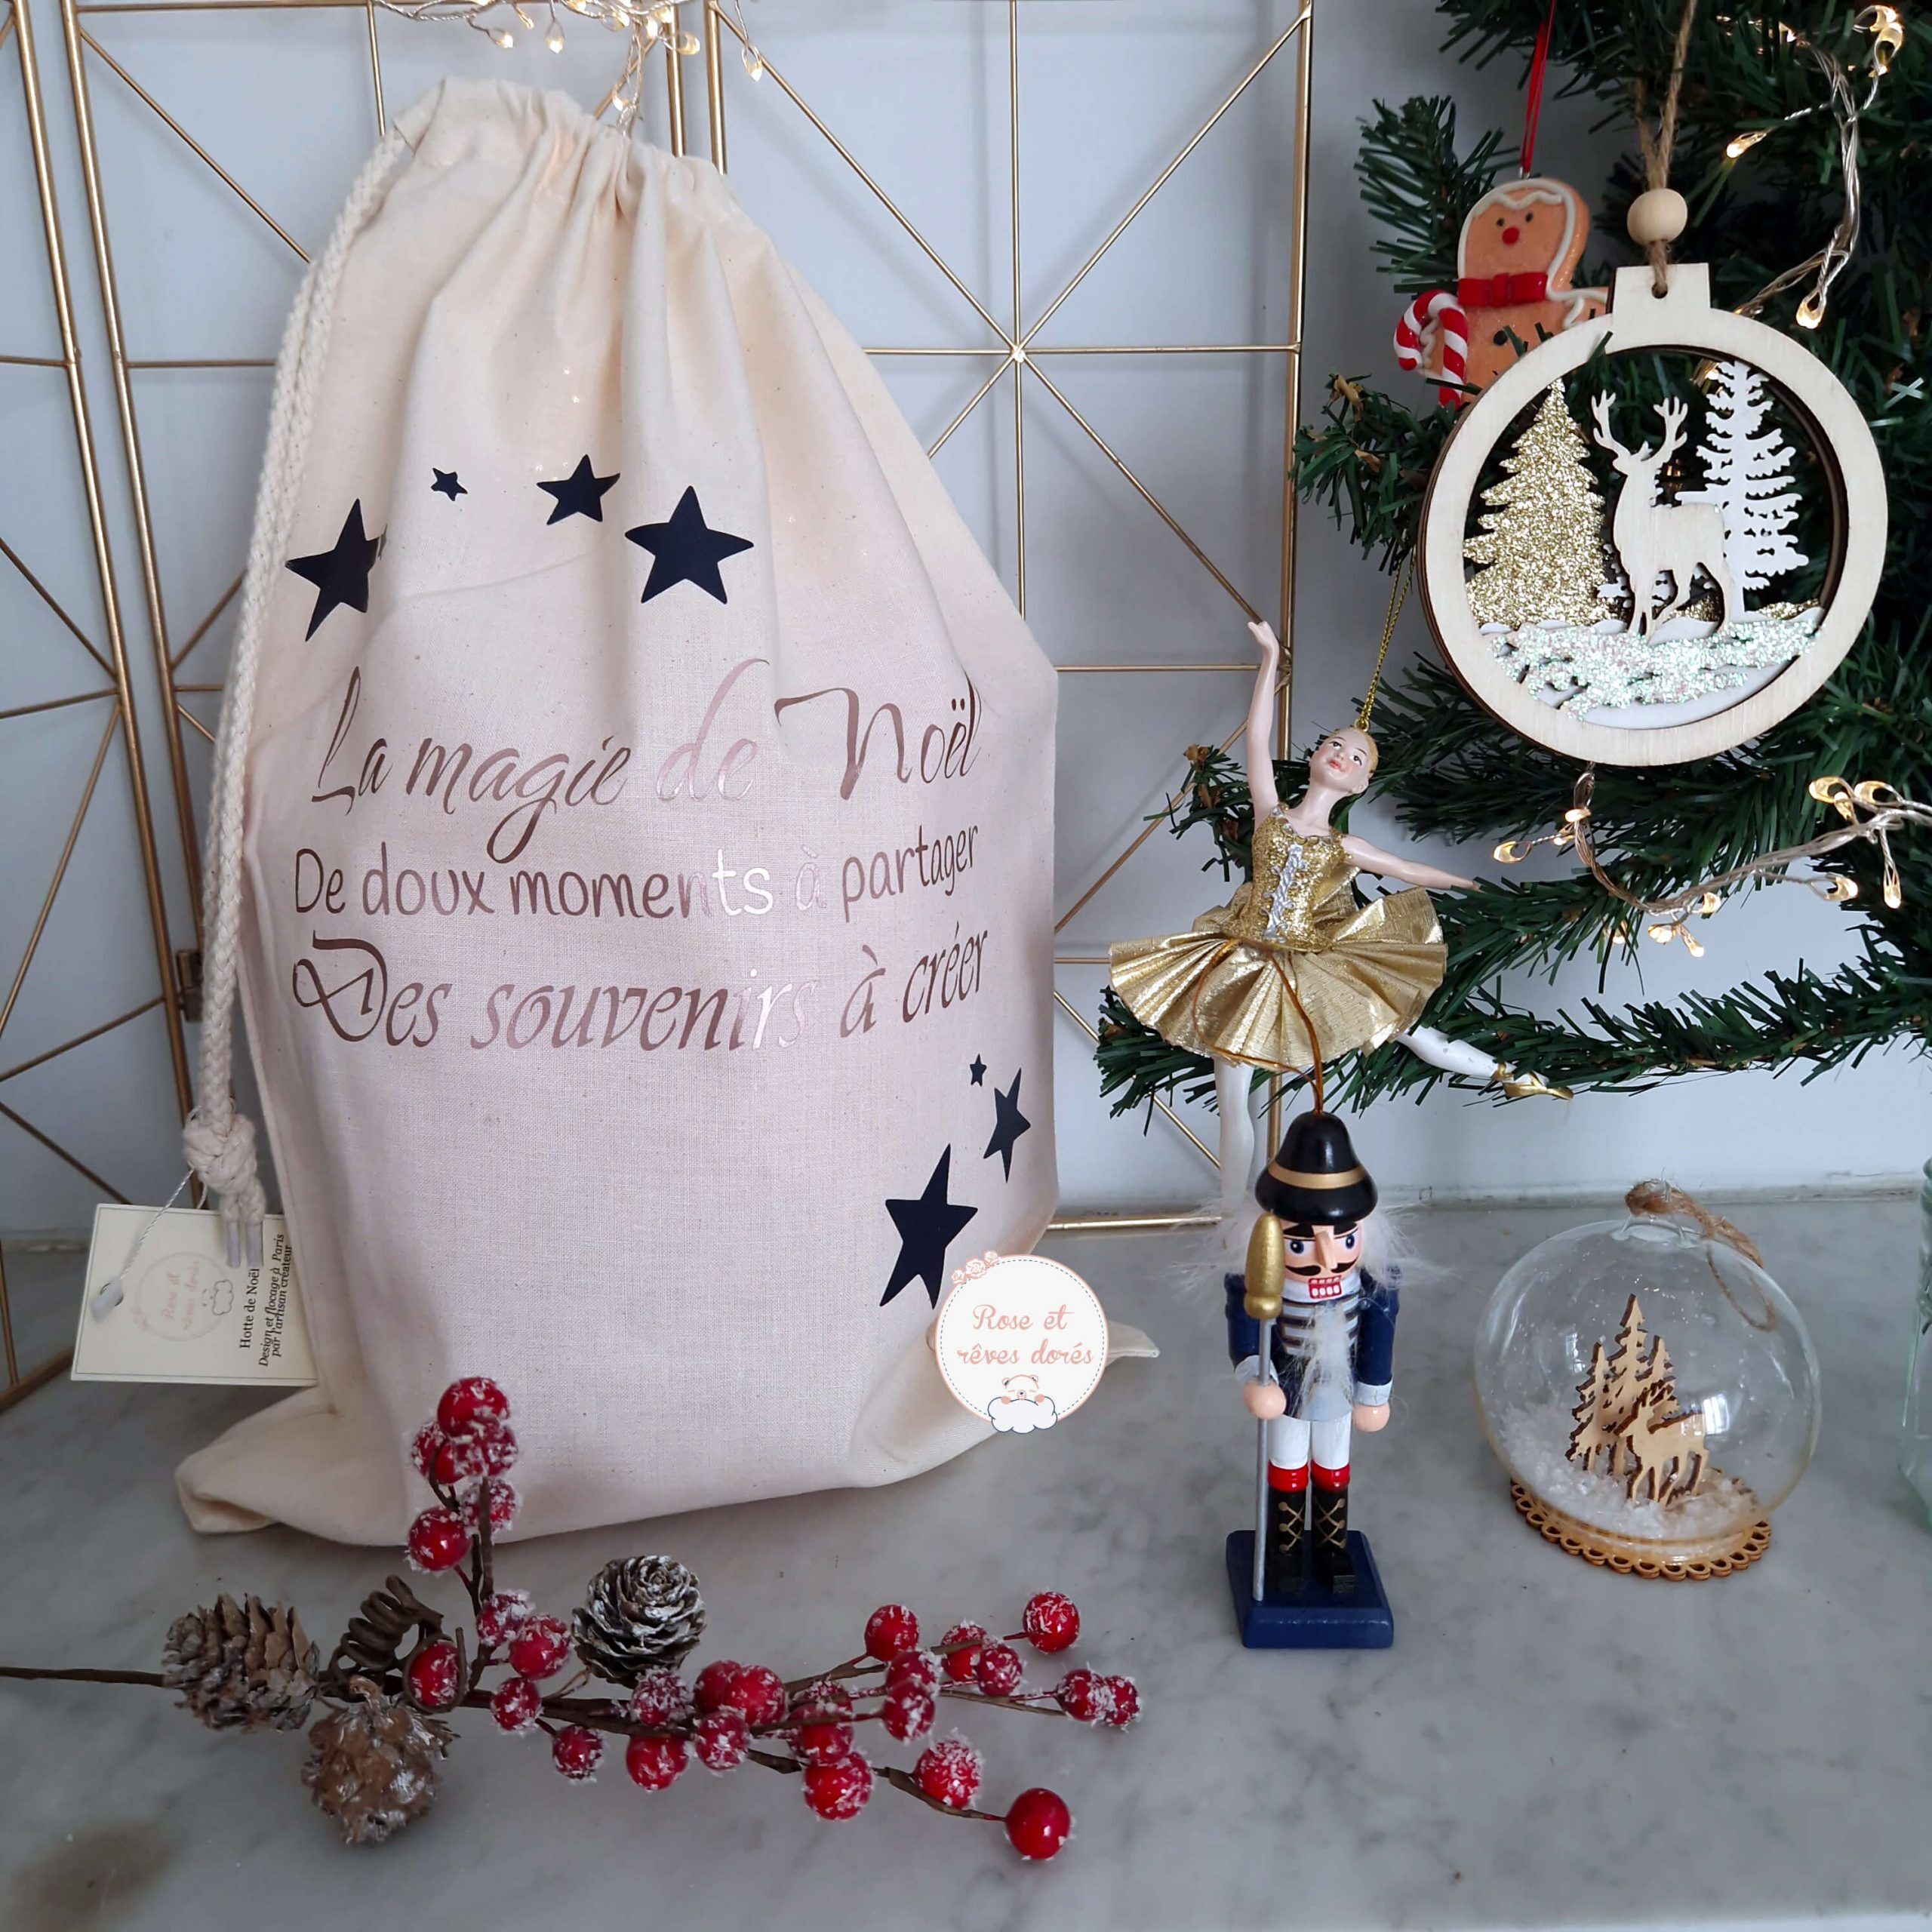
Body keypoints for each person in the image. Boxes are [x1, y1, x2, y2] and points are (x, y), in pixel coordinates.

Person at [1109, 617, 1565, 1231]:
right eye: (1336, 744)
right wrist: (1268, 659)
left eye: (1356, 757)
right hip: (1240, 961)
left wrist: (1475, 887)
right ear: (1315, 754)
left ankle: (1507, 1072)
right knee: (1232, 1101)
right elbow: (1256, 736)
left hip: (1310, 961)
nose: (1342, 756)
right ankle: (1230, 1221)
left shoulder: (1344, 846)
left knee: (1404, 1027)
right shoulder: (1270, 814)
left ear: (1361, 782)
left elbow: (1408, 868)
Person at [1227, 1109, 1391, 1598]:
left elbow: (1379, 1337)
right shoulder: (1258, 1283)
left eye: (1344, 1239)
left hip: (1340, 1392)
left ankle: (1331, 1545)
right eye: (1301, 1244)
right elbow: (1246, 1329)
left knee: (1334, 1463)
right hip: (1288, 1392)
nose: (1326, 1258)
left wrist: (1374, 1393)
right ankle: (1286, 1548)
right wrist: (1255, 1377)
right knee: (1287, 1462)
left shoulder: (1371, 1285)